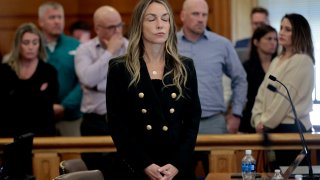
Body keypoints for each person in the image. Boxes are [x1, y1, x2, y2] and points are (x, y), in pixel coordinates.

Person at [106, 0, 201, 179]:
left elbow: (192, 121)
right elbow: (118, 125)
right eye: (151, 19)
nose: (160, 25)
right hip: (136, 167)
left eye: (165, 19)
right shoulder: (120, 68)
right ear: (139, 25)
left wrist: (176, 164)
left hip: (176, 168)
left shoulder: (185, 66)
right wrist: (144, 164)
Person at [177, 0, 247, 176]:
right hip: (179, 123)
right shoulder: (169, 43)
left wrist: (236, 114)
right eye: (196, 14)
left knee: (221, 175)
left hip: (214, 122)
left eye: (204, 14)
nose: (201, 19)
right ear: (183, 16)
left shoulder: (222, 44)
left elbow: (240, 78)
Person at [251, 13, 314, 168]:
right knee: (273, 173)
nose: (281, 33)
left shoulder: (302, 60)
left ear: (299, 33)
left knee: (289, 175)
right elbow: (262, 94)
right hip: (272, 128)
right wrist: (257, 118)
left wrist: (264, 123)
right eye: (281, 28)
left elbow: (284, 99)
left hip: (291, 129)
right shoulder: (277, 60)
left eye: (288, 29)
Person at [75, 5, 128, 178]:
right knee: (94, 173)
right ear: (97, 28)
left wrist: (99, 86)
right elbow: (88, 79)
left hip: (125, 120)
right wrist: (110, 52)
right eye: (112, 27)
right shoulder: (84, 49)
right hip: (94, 123)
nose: (118, 30)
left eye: (120, 25)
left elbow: (132, 85)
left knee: (123, 171)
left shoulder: (131, 48)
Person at [0, 22, 58, 137]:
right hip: (9, 133)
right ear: (18, 45)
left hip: (42, 134)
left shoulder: (49, 71)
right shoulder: (4, 71)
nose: (30, 47)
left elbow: (50, 103)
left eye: (35, 43)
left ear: (40, 45)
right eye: (26, 43)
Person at [38, 1, 82, 136]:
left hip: (71, 117)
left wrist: (64, 106)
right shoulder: (32, 46)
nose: (57, 21)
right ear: (41, 22)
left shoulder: (77, 46)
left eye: (60, 17)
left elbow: (84, 81)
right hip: (38, 118)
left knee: (73, 156)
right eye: (52, 17)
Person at [239, 25, 278, 133]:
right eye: (269, 39)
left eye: (275, 39)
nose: (273, 42)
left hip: (275, 118)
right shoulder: (246, 67)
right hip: (251, 119)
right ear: (256, 42)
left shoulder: (280, 66)